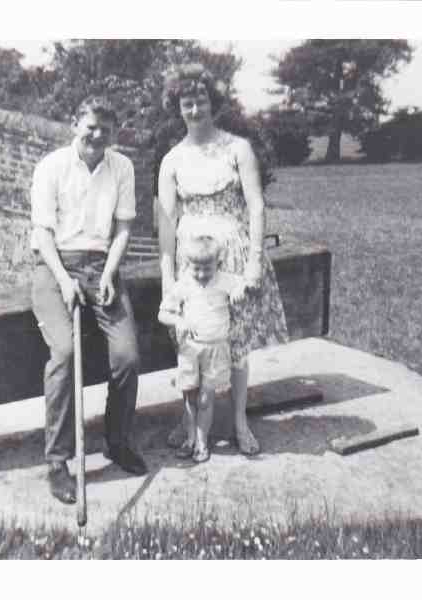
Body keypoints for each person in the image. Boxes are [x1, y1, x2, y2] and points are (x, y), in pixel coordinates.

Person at [157, 64, 290, 456]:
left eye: (201, 101)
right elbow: (166, 225)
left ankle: (238, 421)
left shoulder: (237, 148)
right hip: (191, 262)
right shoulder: (172, 160)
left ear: (214, 104)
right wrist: (168, 278)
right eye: (187, 103)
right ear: (177, 108)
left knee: (235, 344)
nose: (195, 109)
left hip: (231, 257)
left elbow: (256, 206)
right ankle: (190, 420)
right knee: (192, 341)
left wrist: (253, 262)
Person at [30, 96, 147, 505]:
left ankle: (116, 441)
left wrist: (111, 273)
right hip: (55, 266)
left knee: (127, 356)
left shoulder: (122, 168)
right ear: (74, 123)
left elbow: (123, 229)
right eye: (91, 126)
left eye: (107, 128)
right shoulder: (51, 167)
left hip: (102, 267)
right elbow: (43, 235)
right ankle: (58, 462)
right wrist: (63, 280)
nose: (98, 135)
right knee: (64, 352)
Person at [157, 234, 246, 463]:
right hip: (190, 349)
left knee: (206, 398)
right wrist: (179, 321)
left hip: (216, 349)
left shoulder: (225, 280)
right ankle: (189, 438)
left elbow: (242, 284)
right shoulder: (185, 284)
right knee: (189, 395)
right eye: (196, 268)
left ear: (218, 263)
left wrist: (238, 292)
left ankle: (202, 440)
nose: (201, 274)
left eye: (207, 269)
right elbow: (163, 313)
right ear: (188, 265)